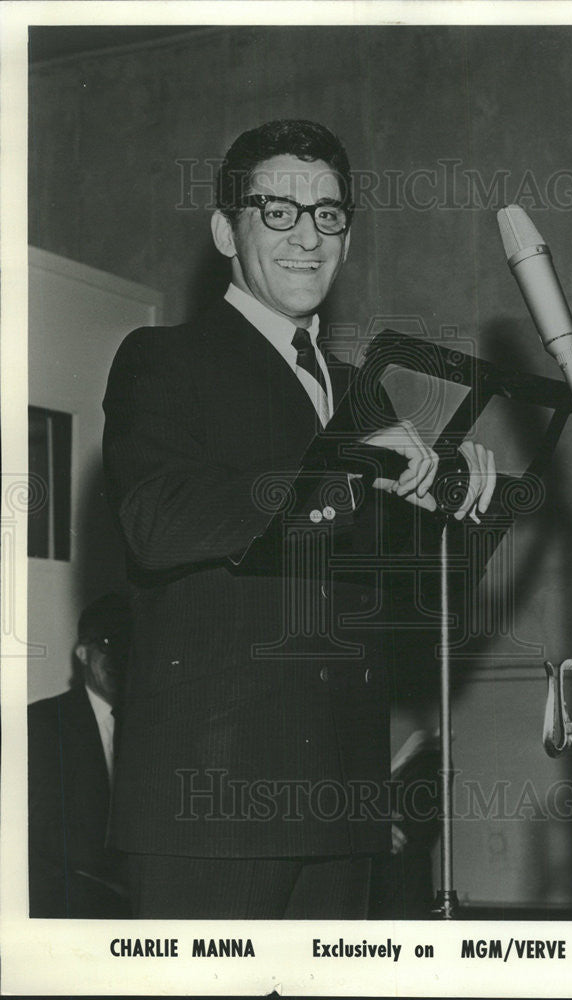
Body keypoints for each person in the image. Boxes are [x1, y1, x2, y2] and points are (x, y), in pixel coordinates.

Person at [102, 119, 495, 918]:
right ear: (225, 230)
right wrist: (346, 476)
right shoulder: (161, 358)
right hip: (210, 803)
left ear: (347, 239)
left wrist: (455, 517)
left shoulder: (363, 391)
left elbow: (398, 608)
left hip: (346, 804)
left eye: (328, 215)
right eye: (276, 211)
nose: (306, 236)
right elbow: (157, 518)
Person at [28, 593, 130, 918]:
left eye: (128, 645)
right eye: (106, 642)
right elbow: (44, 831)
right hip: (70, 901)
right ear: (82, 653)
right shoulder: (43, 723)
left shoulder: (152, 730)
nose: (118, 656)